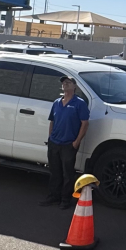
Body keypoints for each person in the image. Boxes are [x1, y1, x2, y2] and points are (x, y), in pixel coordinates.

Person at [42, 77, 89, 209]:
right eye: (63, 83)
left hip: (69, 144)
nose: (65, 84)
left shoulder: (79, 103)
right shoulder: (57, 102)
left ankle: (65, 199)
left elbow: (85, 123)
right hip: (54, 143)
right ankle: (53, 196)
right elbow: (52, 121)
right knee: (54, 171)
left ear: (75, 86)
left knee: (68, 173)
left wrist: (77, 141)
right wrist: (50, 138)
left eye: (68, 82)